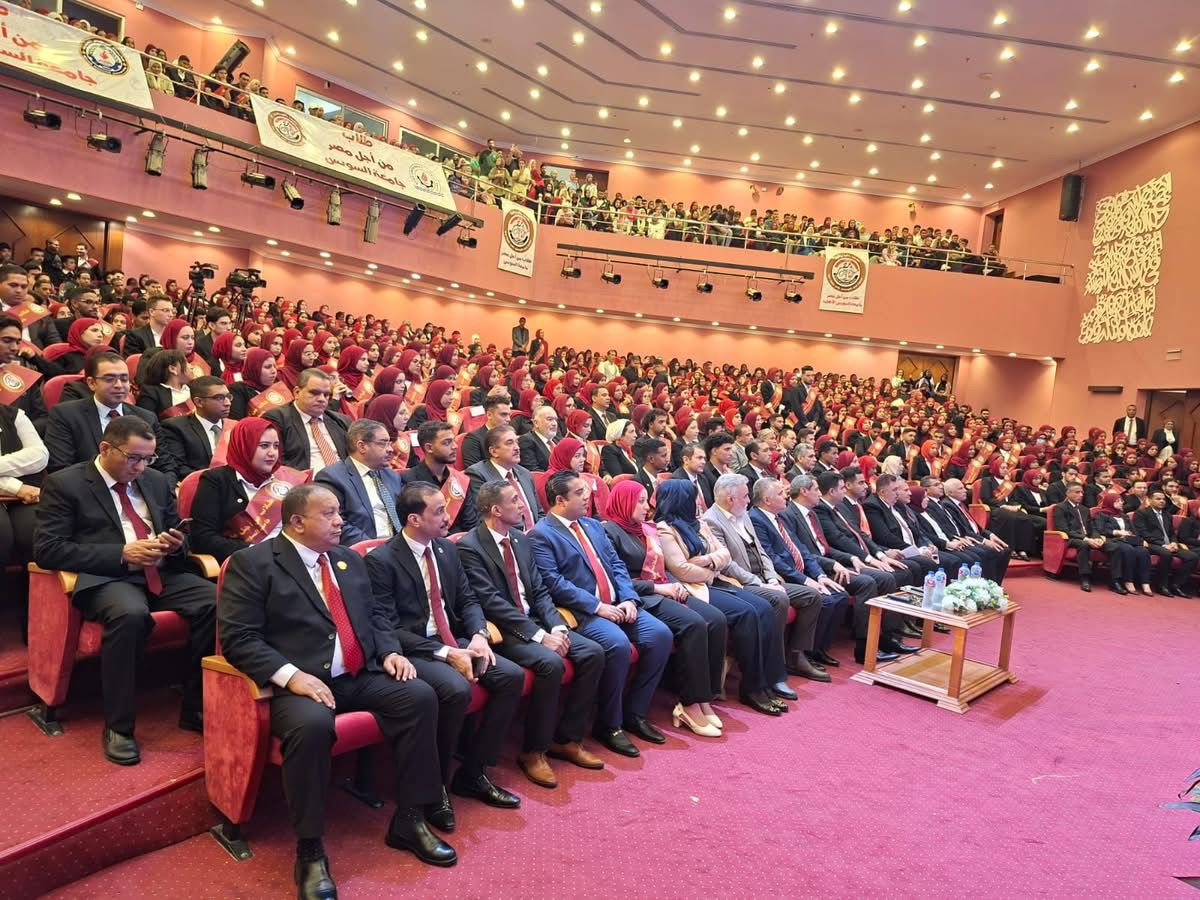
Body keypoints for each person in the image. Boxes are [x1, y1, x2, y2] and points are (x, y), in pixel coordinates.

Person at [218, 484, 453, 891]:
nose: (340, 521)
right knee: (311, 727)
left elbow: (376, 617)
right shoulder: (253, 563)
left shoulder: (347, 560)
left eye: (339, 512)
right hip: (300, 683)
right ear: (296, 522)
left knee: (419, 697)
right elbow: (239, 638)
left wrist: (389, 651)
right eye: (328, 514)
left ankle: (410, 818)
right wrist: (291, 675)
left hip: (356, 675)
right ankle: (310, 849)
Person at [33, 416, 215, 764]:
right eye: (133, 458)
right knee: (130, 614)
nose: (141, 467)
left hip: (159, 571)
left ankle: (196, 706)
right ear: (105, 449)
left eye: (148, 458)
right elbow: (48, 549)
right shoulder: (65, 483)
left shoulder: (155, 481)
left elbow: (179, 534)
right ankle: (119, 726)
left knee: (217, 603)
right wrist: (120, 553)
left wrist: (175, 544)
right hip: (109, 576)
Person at [364, 482, 524, 822]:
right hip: (416, 649)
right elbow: (387, 627)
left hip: (455, 639)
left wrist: (478, 635)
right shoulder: (382, 560)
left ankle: (473, 773)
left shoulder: (446, 549)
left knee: (511, 676)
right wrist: (445, 653)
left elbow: (467, 599)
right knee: (455, 689)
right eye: (438, 512)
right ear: (414, 519)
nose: (447, 517)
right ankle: (434, 784)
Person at [457, 481, 606, 787]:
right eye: (514, 500)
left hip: (536, 620)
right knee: (550, 663)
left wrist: (557, 626)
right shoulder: (469, 546)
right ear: (496, 510)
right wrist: (540, 636)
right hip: (504, 629)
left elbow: (539, 590)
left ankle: (567, 739)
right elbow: (491, 602)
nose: (522, 504)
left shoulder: (520, 539)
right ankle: (534, 751)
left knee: (592, 653)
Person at [529, 471, 673, 757]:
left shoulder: (593, 525)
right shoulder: (541, 534)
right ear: (560, 500)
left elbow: (617, 565)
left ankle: (635, 713)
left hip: (618, 603)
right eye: (580, 493)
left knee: (660, 635)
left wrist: (629, 598)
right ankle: (609, 725)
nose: (588, 497)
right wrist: (598, 607)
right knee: (617, 644)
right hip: (582, 612)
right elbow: (554, 583)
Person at [601, 480, 726, 735]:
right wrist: (659, 588)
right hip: (641, 595)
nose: (647, 507)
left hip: (663, 587)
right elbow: (616, 579)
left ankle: (703, 697)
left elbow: (661, 567)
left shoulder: (644, 528)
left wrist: (672, 583)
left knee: (715, 618)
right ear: (624, 502)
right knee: (694, 624)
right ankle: (689, 704)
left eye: (646, 500)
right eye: (640, 501)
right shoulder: (609, 532)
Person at [702, 473, 827, 689]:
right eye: (745, 496)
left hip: (764, 579)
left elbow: (761, 551)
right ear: (730, 499)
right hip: (740, 583)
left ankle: (795, 655)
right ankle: (773, 670)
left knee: (811, 596)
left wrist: (770, 577)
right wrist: (760, 583)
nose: (749, 500)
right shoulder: (711, 520)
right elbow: (728, 564)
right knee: (778, 599)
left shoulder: (743, 514)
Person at [750, 478, 848, 669]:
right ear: (767, 500)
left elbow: (801, 549)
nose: (786, 496)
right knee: (825, 599)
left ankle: (817, 649)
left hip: (799, 572)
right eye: (780, 493)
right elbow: (772, 558)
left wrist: (820, 576)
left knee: (840, 595)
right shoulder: (756, 519)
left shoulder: (779, 516)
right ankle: (798, 654)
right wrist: (805, 580)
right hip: (783, 576)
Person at [44, 351, 179, 482]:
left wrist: (160, 492)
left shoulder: (146, 417)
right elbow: (61, 468)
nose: (119, 385)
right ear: (91, 383)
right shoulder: (66, 415)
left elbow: (166, 466)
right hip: (88, 490)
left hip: (139, 489)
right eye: (109, 379)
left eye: (124, 379)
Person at [190, 417, 309, 562]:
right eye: (264, 446)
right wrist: (253, 551)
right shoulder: (216, 480)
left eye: (276, 446)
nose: (272, 453)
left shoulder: (287, 478)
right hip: (248, 562)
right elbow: (203, 537)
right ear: (243, 446)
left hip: (295, 557)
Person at [315, 419, 405, 546]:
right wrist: (373, 547)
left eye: (389, 443)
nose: (390, 449)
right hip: (361, 548)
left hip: (396, 547)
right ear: (362, 446)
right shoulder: (332, 477)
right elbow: (335, 523)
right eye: (383, 444)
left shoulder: (392, 476)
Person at [263, 368, 350, 473]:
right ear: (297, 392)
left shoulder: (341, 421)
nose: (322, 399)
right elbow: (276, 463)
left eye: (326, 395)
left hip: (345, 478)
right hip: (305, 481)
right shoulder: (277, 419)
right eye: (315, 393)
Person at [402, 421, 476, 533]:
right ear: (429, 448)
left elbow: (470, 524)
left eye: (454, 441)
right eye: (447, 443)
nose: (455, 446)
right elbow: (412, 526)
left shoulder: (461, 479)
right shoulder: (409, 480)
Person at [464, 425, 540, 531]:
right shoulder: (478, 474)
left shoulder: (525, 473)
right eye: (509, 443)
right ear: (494, 451)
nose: (517, 448)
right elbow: (485, 519)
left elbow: (539, 512)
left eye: (517, 442)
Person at [160, 376, 231, 476]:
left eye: (228, 396)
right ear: (199, 402)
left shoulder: (236, 426)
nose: (228, 403)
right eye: (219, 398)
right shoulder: (175, 427)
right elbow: (179, 467)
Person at [1134, 489, 1198, 597]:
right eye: (1158, 499)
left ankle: (1176, 585)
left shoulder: (1167, 515)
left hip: (1169, 545)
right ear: (1149, 500)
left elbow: (1172, 533)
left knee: (1192, 556)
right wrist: (1163, 544)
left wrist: (1174, 542)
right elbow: (1143, 533)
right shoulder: (1142, 513)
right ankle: (1162, 585)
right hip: (1151, 543)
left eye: (1163, 499)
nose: (1162, 501)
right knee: (1166, 553)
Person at [979, 459, 1040, 560]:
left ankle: (1022, 549)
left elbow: (1013, 499)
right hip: (995, 508)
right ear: (996, 468)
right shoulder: (987, 481)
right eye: (1002, 468)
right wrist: (1003, 505)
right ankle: (1009, 548)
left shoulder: (1009, 483)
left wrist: (1015, 506)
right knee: (1009, 517)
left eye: (1006, 468)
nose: (1005, 470)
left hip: (1009, 507)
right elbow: (986, 498)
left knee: (1025, 518)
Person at [1094, 491, 1153, 596]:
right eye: (1118, 501)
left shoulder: (1124, 516)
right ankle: (1127, 580)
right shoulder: (1101, 514)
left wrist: (1133, 536)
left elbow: (1134, 531)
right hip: (1111, 540)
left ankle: (1145, 582)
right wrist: (1116, 532)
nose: (1121, 502)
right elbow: (1100, 529)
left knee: (1143, 552)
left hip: (1127, 540)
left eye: (1121, 500)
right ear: (1110, 502)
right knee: (1128, 549)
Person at [1050, 482, 1106, 592]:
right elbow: (1064, 530)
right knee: (1083, 544)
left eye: (1082, 492)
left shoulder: (1085, 509)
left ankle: (1116, 579)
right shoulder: (1060, 508)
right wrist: (1086, 539)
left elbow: (1092, 528)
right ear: (1068, 493)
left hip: (1087, 537)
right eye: (1077, 492)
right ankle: (1085, 577)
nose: (1081, 495)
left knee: (1111, 545)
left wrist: (1097, 537)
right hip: (1068, 538)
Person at [460, 396, 512, 470]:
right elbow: (474, 470)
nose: (508, 419)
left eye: (509, 415)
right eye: (503, 414)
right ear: (489, 415)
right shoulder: (473, 439)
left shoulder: (511, 437)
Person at [518, 403, 557, 472]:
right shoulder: (526, 441)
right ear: (536, 423)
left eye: (556, 420)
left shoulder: (556, 441)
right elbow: (533, 471)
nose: (555, 424)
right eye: (550, 419)